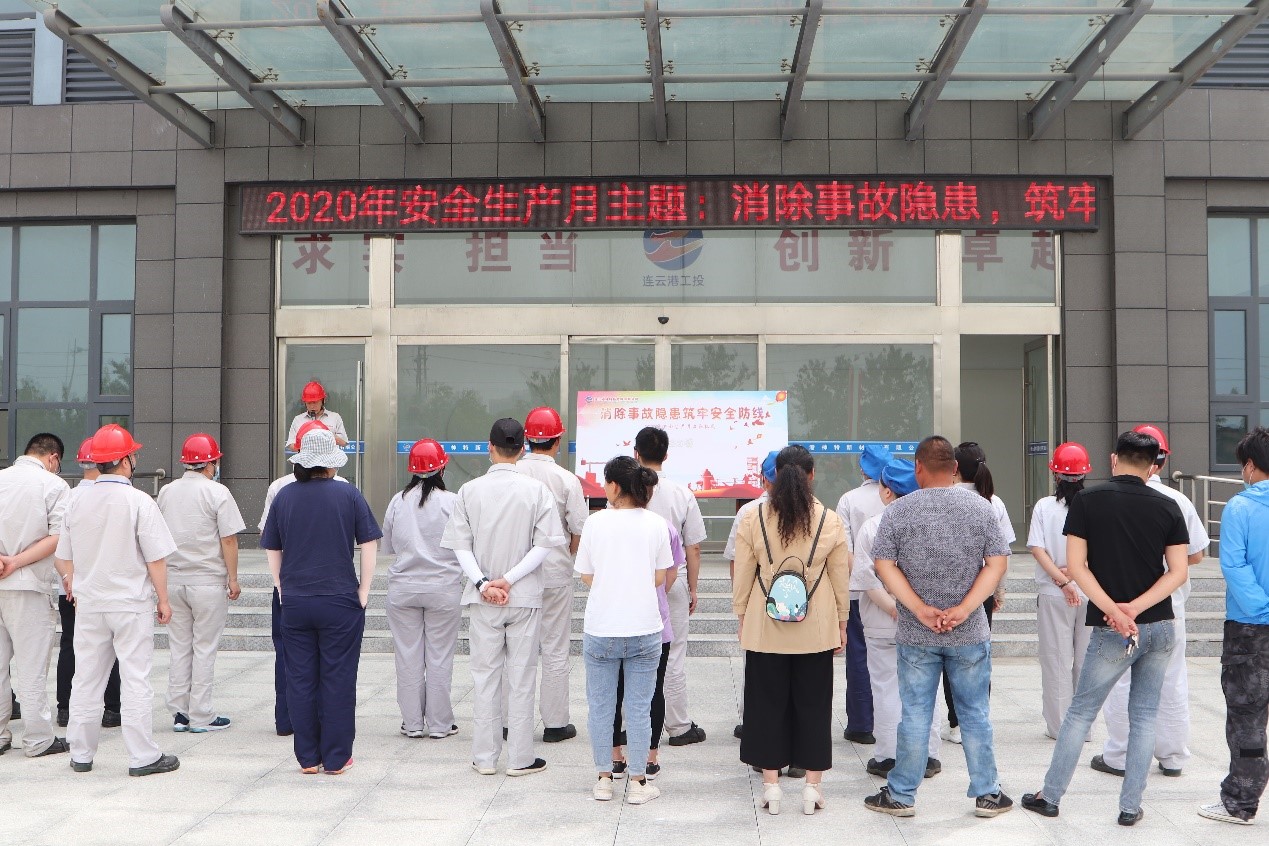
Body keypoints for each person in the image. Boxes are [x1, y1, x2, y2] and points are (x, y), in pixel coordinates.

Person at [1020, 430, 1190, 827]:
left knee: (1080, 712)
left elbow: (1077, 568)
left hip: (1113, 628)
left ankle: (1051, 796)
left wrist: (1114, 611)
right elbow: (1178, 571)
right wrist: (1136, 608)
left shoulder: (1088, 501)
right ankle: (1130, 807)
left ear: (1114, 460)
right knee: (1144, 716)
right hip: (1159, 625)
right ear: (1153, 466)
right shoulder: (1168, 506)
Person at [863, 435, 1012, 819]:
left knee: (915, 714)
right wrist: (965, 608)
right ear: (955, 468)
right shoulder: (982, 508)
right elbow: (997, 563)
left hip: (917, 633)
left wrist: (918, 608)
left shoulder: (899, 511)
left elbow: (883, 564)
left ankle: (901, 795)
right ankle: (988, 794)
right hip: (969, 631)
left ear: (918, 468)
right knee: (975, 713)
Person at [441, 418, 566, 777]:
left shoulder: (469, 491)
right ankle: (520, 758)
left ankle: (484, 757)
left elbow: (461, 547)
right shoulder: (537, 491)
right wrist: (509, 580)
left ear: (490, 447)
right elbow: (544, 546)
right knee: (522, 678)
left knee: (485, 678)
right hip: (523, 596)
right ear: (522, 448)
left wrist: (483, 583)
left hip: (483, 598)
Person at [55, 424, 180, 776]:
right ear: (125, 461)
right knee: (135, 678)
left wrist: (74, 583)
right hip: (129, 603)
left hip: (90, 603)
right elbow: (156, 559)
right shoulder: (139, 501)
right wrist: (164, 600)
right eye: (133, 455)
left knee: (86, 679)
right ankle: (142, 756)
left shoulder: (76, 500)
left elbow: (63, 555)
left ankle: (81, 753)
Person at [734, 445, 850, 816]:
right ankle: (812, 789)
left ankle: (771, 786)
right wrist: (843, 621)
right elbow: (840, 576)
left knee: (765, 705)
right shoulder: (829, 519)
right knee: (815, 706)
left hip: (764, 625)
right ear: (811, 475)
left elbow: (743, 574)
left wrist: (742, 615)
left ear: (775, 475)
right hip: (816, 627)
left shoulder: (752, 517)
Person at [261, 428, 381, 775]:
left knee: (300, 679)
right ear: (330, 463)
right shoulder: (348, 494)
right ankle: (337, 757)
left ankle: (308, 758)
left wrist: (281, 587)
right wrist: (364, 590)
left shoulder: (284, 496)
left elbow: (272, 546)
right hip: (340, 599)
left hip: (296, 600)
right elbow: (369, 543)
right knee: (338, 678)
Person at [1092, 423, 1208, 779]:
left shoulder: (1104, 497)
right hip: (1168, 605)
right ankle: (1172, 757)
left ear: (1118, 458)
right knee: (1171, 679)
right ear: (1161, 460)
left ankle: (1120, 755)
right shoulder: (1177, 500)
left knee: (1120, 679)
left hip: (1119, 606)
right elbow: (1197, 554)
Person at [576, 456, 673, 806]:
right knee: (639, 708)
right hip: (645, 627)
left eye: (606, 482)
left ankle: (604, 778)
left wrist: (610, 585)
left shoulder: (594, 523)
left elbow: (586, 575)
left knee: (601, 706)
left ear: (615, 486)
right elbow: (661, 576)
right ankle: (638, 781)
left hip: (602, 626)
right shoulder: (657, 524)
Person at [259, 419, 349, 737]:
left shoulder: (279, 489)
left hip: (290, 586)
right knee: (330, 658)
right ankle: (324, 721)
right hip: (333, 586)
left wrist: (279, 583)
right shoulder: (344, 486)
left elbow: (269, 537)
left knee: (288, 655)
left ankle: (287, 720)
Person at [854, 458, 942, 780]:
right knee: (926, 688)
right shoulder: (933, 523)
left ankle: (889, 757)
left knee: (886, 688)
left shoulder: (873, 527)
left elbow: (868, 579)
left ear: (887, 491)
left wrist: (895, 608)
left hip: (883, 622)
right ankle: (928, 756)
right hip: (927, 621)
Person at [1199, 426, 1269, 826]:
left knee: (1247, 717)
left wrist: (1262, 607)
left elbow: (1234, 565)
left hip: (1250, 628)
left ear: (1251, 466)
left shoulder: (1240, 507)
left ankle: (1241, 802)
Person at [157, 433, 245, 734]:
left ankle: (180, 712)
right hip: (207, 581)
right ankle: (201, 714)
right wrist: (233, 578)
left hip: (173, 580)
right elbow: (229, 539)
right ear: (210, 463)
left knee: (180, 647)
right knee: (204, 648)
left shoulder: (166, 491)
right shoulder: (218, 492)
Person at [382, 439, 462, 740]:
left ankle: (412, 723)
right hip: (443, 588)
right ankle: (440, 724)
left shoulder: (397, 501)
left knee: (407, 657)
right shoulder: (452, 502)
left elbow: (388, 546)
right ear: (442, 467)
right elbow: (464, 545)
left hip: (403, 588)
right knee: (440, 657)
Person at [516, 406, 587, 744]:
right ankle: (556, 724)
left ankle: (510, 722)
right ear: (557, 441)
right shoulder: (566, 479)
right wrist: (565, 555)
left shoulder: (511, 473)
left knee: (516, 650)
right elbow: (579, 529)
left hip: (515, 574)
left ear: (527, 440)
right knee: (555, 648)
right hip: (556, 573)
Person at [634, 426, 708, 747]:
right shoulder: (681, 493)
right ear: (666, 455)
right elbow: (694, 547)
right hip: (671, 581)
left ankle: (628, 725)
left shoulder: (624, 492)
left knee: (631, 656)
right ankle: (678, 726)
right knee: (674, 654)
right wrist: (693, 588)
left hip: (632, 583)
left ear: (636, 453)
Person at [0, 432, 71, 758]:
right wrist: (15, 561)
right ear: (53, 457)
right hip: (27, 586)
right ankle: (38, 739)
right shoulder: (53, 485)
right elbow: (58, 537)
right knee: (31, 667)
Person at [941, 441, 1014, 745]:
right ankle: (977, 718)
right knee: (979, 655)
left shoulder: (943, 497)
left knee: (948, 656)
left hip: (948, 589)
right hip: (982, 590)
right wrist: (998, 590)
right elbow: (1002, 556)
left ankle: (956, 722)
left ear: (955, 467)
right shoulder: (994, 503)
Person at [1027, 442, 1094, 741]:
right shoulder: (1095, 503)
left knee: (1055, 660)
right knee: (1086, 662)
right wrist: (1076, 571)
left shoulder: (1044, 506)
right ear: (1084, 474)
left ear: (1055, 473)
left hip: (1054, 593)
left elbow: (1037, 549)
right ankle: (1084, 728)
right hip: (1090, 590)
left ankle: (1059, 728)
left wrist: (1062, 580)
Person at [56, 439, 122, 730]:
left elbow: (59, 548)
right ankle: (112, 709)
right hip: (103, 587)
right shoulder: (114, 497)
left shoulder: (69, 497)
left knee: (70, 645)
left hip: (70, 587)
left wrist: (68, 580)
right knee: (111, 648)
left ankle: (65, 708)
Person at [610, 521, 681, 782]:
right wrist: (656, 594)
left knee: (613, 691)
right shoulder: (663, 527)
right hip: (654, 620)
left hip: (614, 621)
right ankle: (650, 759)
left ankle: (615, 757)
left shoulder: (604, 525)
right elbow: (671, 573)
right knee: (653, 690)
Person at [835, 443, 889, 745]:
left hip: (858, 590)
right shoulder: (901, 497)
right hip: (897, 592)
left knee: (858, 655)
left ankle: (860, 724)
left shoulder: (849, 499)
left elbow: (845, 549)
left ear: (862, 469)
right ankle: (889, 723)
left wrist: (865, 577)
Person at [724, 450, 779, 743]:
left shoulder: (748, 512)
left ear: (763, 479)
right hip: (799, 600)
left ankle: (752, 721)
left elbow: (738, 562)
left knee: (756, 662)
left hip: (759, 598)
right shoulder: (813, 510)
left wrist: (741, 605)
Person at [285, 380, 349, 449]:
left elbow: (344, 442)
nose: (312, 406)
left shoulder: (335, 417)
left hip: (328, 455)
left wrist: (326, 434)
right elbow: (291, 445)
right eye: (309, 403)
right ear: (305, 403)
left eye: (315, 402)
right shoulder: (298, 420)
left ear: (323, 401)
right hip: (306, 455)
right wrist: (302, 443)